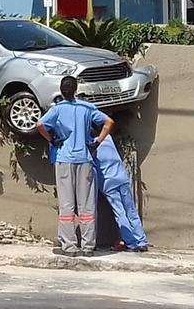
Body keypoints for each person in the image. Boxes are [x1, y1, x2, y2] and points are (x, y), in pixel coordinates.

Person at [36, 76, 114, 257]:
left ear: (61, 90)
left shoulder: (58, 109)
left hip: (64, 159)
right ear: (76, 89)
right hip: (85, 159)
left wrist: (52, 139)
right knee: (87, 205)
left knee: (67, 204)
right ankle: (88, 247)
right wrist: (96, 142)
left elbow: (40, 124)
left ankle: (69, 246)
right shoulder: (86, 108)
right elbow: (108, 122)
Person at [91, 134, 148, 252]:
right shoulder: (108, 138)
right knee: (131, 210)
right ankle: (141, 241)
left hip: (108, 182)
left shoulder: (90, 146)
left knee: (120, 213)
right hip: (121, 177)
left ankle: (131, 243)